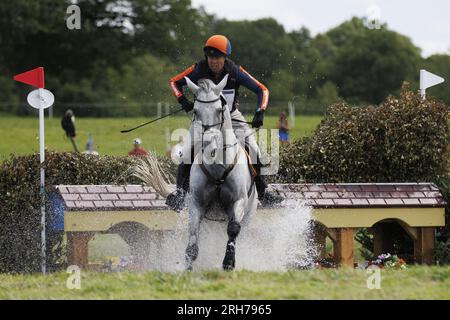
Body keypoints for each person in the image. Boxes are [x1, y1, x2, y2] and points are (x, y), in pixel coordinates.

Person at [165, 34, 283, 211]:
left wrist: (260, 111)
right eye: (210, 57)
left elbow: (262, 90)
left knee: (254, 148)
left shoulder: (235, 71)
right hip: (204, 119)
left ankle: (263, 190)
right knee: (187, 151)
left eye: (218, 57)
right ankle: (180, 194)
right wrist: (182, 100)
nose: (213, 61)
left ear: (225, 57)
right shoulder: (198, 69)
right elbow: (174, 82)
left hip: (232, 117)